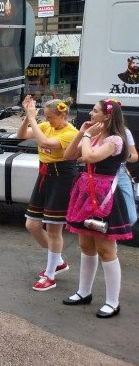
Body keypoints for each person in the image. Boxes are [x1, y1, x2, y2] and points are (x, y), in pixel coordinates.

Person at [63, 98, 133, 318]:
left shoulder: (115, 139)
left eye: (94, 112)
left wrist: (86, 136)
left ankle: (113, 302)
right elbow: (69, 156)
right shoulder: (95, 134)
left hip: (105, 195)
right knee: (85, 244)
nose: (90, 115)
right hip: (87, 192)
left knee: (106, 249)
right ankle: (84, 292)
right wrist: (82, 132)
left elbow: (91, 157)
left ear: (107, 116)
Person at [16, 95, 78, 291]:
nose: (48, 120)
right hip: (44, 175)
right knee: (32, 224)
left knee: (53, 229)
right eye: (46, 117)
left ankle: (50, 275)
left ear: (63, 115)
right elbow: (22, 135)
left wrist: (34, 119)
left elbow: (46, 143)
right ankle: (58, 261)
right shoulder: (46, 126)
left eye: (50, 117)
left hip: (62, 178)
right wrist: (28, 116)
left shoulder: (71, 133)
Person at [116, 129, 138, 226]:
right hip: (98, 172)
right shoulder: (91, 130)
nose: (90, 113)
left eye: (96, 112)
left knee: (130, 217)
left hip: (119, 171)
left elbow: (134, 156)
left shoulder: (124, 131)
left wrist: (125, 154)